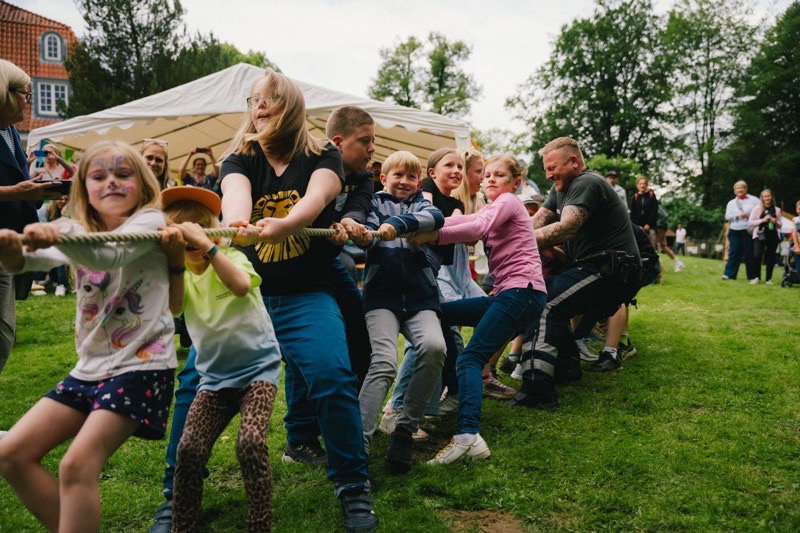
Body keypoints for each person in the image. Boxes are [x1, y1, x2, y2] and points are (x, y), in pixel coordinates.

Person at [219, 69, 377, 532]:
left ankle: (353, 486)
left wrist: (288, 222)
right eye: (253, 101)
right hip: (249, 298)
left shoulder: (321, 151)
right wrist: (238, 222)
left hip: (307, 293)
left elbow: (319, 195)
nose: (259, 107)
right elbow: (235, 195)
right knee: (197, 389)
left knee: (332, 374)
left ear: (290, 105)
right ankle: (177, 491)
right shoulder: (240, 155)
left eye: (269, 99)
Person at [0, 140, 176, 532]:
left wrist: (56, 236)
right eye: (98, 176)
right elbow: (27, 261)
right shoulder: (76, 228)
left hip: (142, 364)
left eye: (122, 174)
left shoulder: (151, 222)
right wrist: (12, 250)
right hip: (90, 368)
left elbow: (106, 255)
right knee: (11, 453)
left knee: (76, 465)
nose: (110, 182)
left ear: (144, 184)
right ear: (84, 190)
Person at [410, 153, 547, 463]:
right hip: (510, 295)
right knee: (440, 316)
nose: (490, 179)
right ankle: (458, 390)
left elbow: (477, 227)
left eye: (499, 175)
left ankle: (468, 436)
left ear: (516, 182)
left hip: (521, 293)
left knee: (471, 358)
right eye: (487, 175)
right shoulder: (493, 206)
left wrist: (434, 234)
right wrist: (416, 222)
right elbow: (466, 221)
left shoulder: (510, 202)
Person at [159, 186, 281, 531]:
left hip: (259, 371)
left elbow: (242, 286)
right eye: (184, 232)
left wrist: (211, 247)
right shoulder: (180, 273)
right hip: (213, 381)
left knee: (250, 443)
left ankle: (260, 524)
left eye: (200, 228)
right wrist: (173, 261)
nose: (192, 239)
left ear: (214, 231)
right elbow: (175, 307)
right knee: (189, 450)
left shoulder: (233, 258)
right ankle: (182, 524)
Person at [511, 137, 641, 408]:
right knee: (550, 300)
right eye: (545, 169)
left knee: (544, 301)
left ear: (574, 161)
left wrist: (515, 243)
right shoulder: (559, 189)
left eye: (552, 168)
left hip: (611, 269)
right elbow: (537, 221)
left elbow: (568, 227)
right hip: (593, 266)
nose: (548, 175)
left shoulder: (586, 182)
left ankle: (538, 390)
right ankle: (566, 368)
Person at [351, 150, 446, 473]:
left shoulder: (423, 203)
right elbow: (366, 231)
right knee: (384, 362)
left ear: (419, 181)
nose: (404, 182)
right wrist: (368, 234)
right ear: (384, 178)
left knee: (435, 348)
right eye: (398, 175)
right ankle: (358, 441)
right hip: (381, 297)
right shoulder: (374, 203)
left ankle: (404, 430)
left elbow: (435, 220)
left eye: (411, 177)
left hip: (421, 297)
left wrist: (398, 225)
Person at [0, 59, 62, 382]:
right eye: (26, 94)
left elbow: (21, 189)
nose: (30, 102)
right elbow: (13, 189)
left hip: (11, 245)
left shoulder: (12, 133)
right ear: (7, 95)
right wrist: (17, 190)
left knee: (4, 335)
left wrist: (40, 192)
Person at [325, 105, 376, 387]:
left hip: (330, 259)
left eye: (373, 141)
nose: (372, 149)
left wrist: (350, 222)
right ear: (338, 143)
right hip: (297, 264)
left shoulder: (364, 176)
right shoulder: (313, 163)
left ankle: (355, 398)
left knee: (359, 326)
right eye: (364, 141)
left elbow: (358, 206)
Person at [722, 180, 760, 281]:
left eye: (742, 187)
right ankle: (729, 274)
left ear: (745, 189)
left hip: (748, 230)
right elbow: (727, 217)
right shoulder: (731, 203)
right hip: (735, 230)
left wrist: (750, 216)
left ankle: (752, 277)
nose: (740, 189)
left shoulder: (754, 200)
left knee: (749, 253)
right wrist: (737, 216)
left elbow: (760, 211)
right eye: (737, 188)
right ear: (735, 191)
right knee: (734, 252)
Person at [748, 188, 782, 285]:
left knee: (770, 257)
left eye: (768, 196)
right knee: (757, 255)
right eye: (765, 196)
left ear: (771, 197)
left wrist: (776, 222)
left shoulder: (777, 210)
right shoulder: (756, 209)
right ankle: (756, 277)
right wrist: (762, 220)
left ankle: (768, 279)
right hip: (759, 235)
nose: (767, 198)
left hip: (772, 236)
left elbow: (780, 224)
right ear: (762, 198)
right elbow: (750, 223)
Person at [655, 203, 686, 272]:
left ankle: (656, 268)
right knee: (662, 245)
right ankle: (678, 263)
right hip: (659, 227)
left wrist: (658, 225)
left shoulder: (653, 203)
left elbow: (664, 216)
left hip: (659, 227)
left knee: (651, 245)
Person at [629, 175, 659, 247]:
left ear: (646, 185)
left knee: (651, 245)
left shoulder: (651, 195)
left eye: (644, 183)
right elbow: (632, 213)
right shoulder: (635, 197)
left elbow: (654, 210)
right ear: (637, 185)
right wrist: (638, 226)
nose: (642, 185)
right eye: (640, 184)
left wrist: (648, 224)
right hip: (638, 227)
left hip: (650, 226)